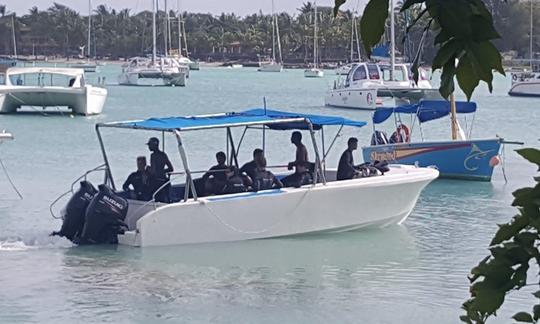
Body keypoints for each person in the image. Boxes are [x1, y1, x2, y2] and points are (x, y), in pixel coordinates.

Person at [146, 137, 174, 202]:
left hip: (156, 182)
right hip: (164, 180)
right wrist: (162, 171)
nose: (149, 147)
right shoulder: (163, 155)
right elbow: (171, 168)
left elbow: (153, 172)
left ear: (154, 145)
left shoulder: (153, 155)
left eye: (150, 145)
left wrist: (147, 168)